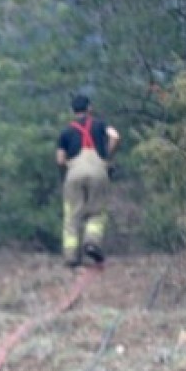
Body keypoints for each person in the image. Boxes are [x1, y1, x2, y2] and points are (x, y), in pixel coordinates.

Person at [56, 94, 121, 268]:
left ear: (72, 111)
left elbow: (60, 160)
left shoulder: (65, 132)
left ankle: (71, 256)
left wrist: (67, 171)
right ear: (89, 108)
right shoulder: (100, 124)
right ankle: (92, 243)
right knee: (97, 211)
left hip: (74, 174)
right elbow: (115, 136)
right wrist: (107, 156)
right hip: (98, 172)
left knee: (72, 215)